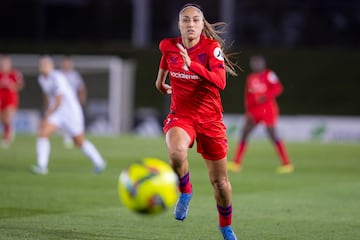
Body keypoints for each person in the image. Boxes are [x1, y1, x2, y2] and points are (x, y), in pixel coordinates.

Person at [155, 3, 238, 240]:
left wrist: (193, 66)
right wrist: (160, 82)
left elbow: (220, 81)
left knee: (220, 183)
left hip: (210, 120)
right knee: (176, 152)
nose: (190, 24)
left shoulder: (212, 48)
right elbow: (165, 61)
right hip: (182, 116)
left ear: (202, 25)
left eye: (195, 20)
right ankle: (185, 191)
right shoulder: (168, 46)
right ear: (179, 24)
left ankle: (225, 226)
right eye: (185, 20)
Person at [31, 56, 106, 175]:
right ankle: (42, 167)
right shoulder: (42, 79)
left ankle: (99, 162)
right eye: (41, 65)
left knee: (79, 141)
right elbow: (47, 97)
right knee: (43, 134)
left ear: (51, 66)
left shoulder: (57, 77)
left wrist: (47, 115)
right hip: (57, 112)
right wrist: (47, 113)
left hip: (70, 112)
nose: (42, 67)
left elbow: (59, 99)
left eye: (45, 65)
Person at [227, 55, 294, 174]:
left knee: (273, 134)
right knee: (244, 133)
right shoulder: (251, 78)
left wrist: (266, 96)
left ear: (263, 64)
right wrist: (248, 111)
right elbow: (248, 96)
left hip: (268, 109)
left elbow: (278, 88)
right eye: (254, 63)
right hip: (254, 111)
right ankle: (236, 163)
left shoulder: (269, 75)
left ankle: (286, 163)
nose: (256, 65)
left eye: (258, 63)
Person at [60, 56, 87, 148]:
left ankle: (78, 137)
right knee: (63, 120)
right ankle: (67, 137)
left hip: (73, 103)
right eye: (65, 63)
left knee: (75, 120)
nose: (67, 65)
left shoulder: (75, 75)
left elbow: (81, 88)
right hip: (61, 102)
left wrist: (81, 98)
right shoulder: (59, 75)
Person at [0, 55, 24, 148]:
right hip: (1, 98)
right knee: (3, 119)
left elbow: (20, 85)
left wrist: (13, 86)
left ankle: (6, 138)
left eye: (6, 62)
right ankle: (8, 131)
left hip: (11, 98)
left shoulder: (14, 73)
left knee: (7, 118)